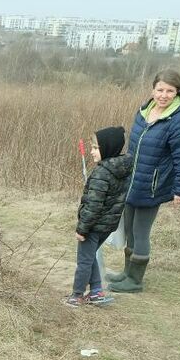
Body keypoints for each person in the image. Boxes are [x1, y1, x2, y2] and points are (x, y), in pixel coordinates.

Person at [107, 69, 180, 293]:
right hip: (132, 181)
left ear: (177, 93)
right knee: (128, 230)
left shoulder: (179, 119)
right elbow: (133, 149)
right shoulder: (144, 112)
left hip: (153, 186)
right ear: (152, 90)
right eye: (160, 90)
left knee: (140, 231)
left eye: (170, 91)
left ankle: (135, 281)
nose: (164, 95)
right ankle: (126, 273)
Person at [66, 126, 133, 307]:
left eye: (95, 148)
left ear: (107, 148)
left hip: (93, 225)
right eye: (91, 147)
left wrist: (82, 228)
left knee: (84, 261)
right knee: (91, 256)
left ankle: (76, 295)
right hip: (107, 225)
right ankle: (96, 292)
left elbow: (93, 206)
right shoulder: (122, 169)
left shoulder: (101, 173)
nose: (91, 151)